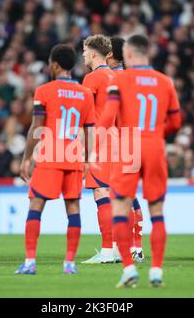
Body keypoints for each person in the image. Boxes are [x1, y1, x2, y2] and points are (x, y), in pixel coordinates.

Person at [99, 34, 182, 287]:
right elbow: (176, 122)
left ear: (130, 54)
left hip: (128, 146)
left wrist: (91, 145)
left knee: (121, 207)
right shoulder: (165, 81)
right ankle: (156, 270)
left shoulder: (119, 79)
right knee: (156, 211)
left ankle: (128, 269)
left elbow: (108, 117)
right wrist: (156, 134)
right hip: (155, 147)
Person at [16, 44, 95, 275]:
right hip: (73, 158)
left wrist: (26, 157)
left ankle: (30, 262)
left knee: (36, 205)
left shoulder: (44, 91)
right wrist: (88, 160)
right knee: (73, 208)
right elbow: (90, 131)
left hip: (49, 157)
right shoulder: (85, 94)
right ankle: (69, 264)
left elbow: (36, 127)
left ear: (55, 65)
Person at [81, 34, 120, 264]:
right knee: (113, 195)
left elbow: (85, 114)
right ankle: (115, 248)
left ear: (94, 53)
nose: (83, 55)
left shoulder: (92, 79)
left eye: (85, 51)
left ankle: (107, 251)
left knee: (101, 192)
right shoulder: (116, 76)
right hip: (117, 139)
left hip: (99, 140)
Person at [106, 35, 144, 262]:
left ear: (110, 53)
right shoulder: (132, 77)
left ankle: (130, 247)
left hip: (120, 141)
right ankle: (135, 246)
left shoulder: (113, 78)